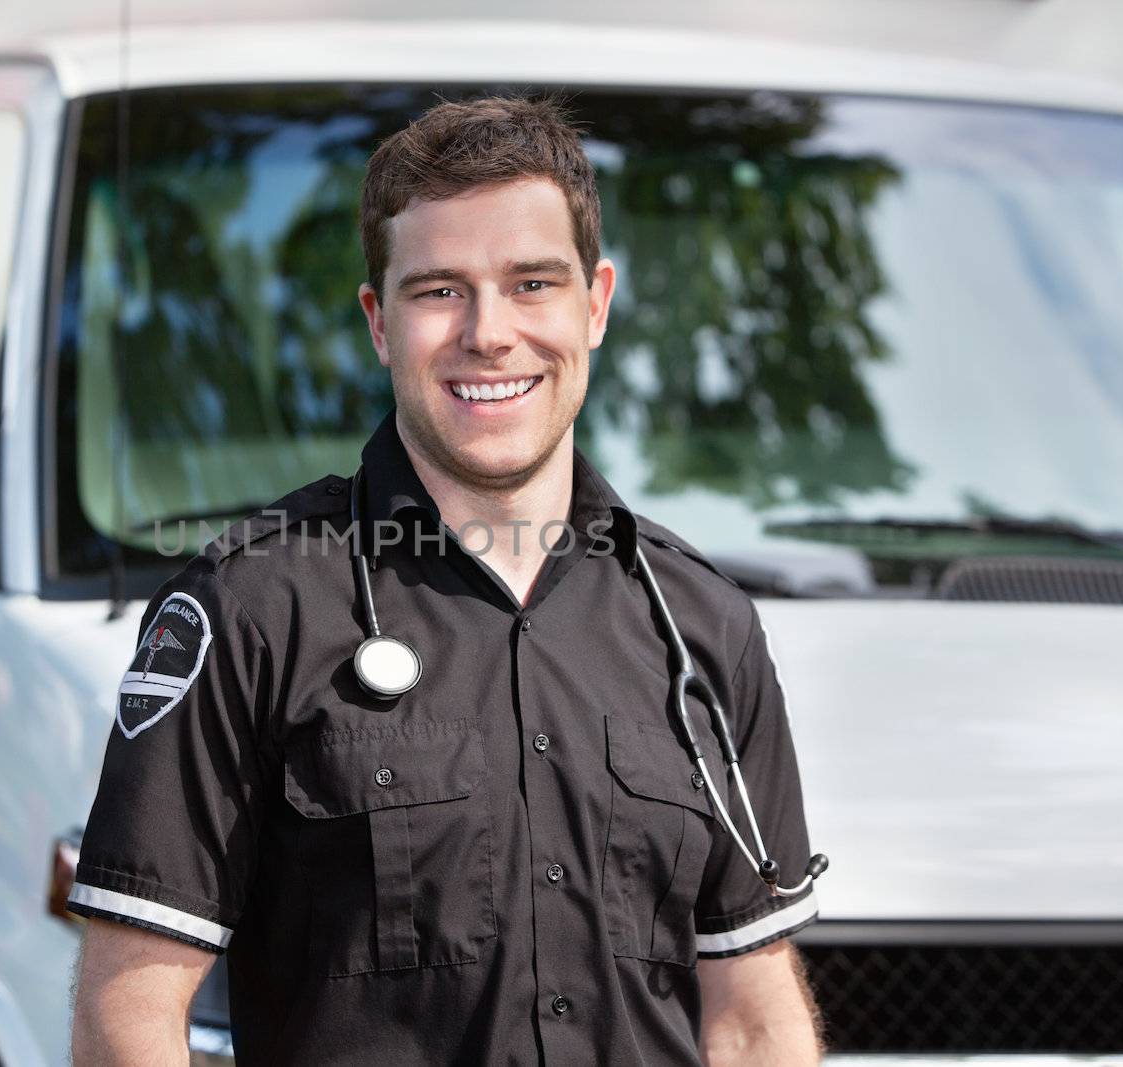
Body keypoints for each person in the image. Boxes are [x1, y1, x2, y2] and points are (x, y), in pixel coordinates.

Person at [69, 95, 824, 1065]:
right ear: (380, 323)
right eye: (438, 292)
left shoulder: (701, 627)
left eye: (531, 284)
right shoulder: (252, 609)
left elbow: (755, 1022)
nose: (489, 332)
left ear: (593, 304)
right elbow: (124, 1018)